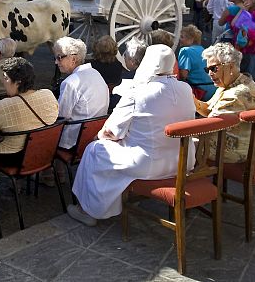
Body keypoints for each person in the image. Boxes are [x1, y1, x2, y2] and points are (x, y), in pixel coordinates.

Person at [67, 45, 196, 225]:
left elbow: (110, 132)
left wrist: (101, 136)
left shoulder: (138, 93)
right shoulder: (185, 89)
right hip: (183, 161)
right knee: (108, 150)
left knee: (94, 150)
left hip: (148, 164)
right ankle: (109, 200)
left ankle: (89, 210)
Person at [194, 43, 255, 163]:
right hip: (249, 145)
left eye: (213, 68)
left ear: (230, 67)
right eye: (207, 69)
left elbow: (208, 125)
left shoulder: (234, 95)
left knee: (179, 144)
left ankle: (186, 180)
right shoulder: (242, 81)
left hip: (234, 152)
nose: (209, 73)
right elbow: (209, 109)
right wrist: (192, 101)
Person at [0, 57, 58, 169]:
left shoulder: (4, 105)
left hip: (14, 157)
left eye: (5, 78)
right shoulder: (48, 94)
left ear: (18, 83)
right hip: (43, 152)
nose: (3, 82)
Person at [54, 36, 110, 150]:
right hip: (94, 133)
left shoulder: (70, 83)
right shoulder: (95, 73)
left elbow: (61, 116)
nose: (56, 62)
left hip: (74, 141)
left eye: (59, 58)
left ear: (73, 59)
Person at [178, 25, 216, 101]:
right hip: (213, 90)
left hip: (199, 91)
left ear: (191, 39)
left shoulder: (185, 51)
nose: (179, 39)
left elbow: (183, 75)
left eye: (182, 37)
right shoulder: (204, 50)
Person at [89, 35, 125, 110]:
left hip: (93, 98)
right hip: (109, 99)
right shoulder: (118, 65)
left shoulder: (92, 66)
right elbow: (118, 81)